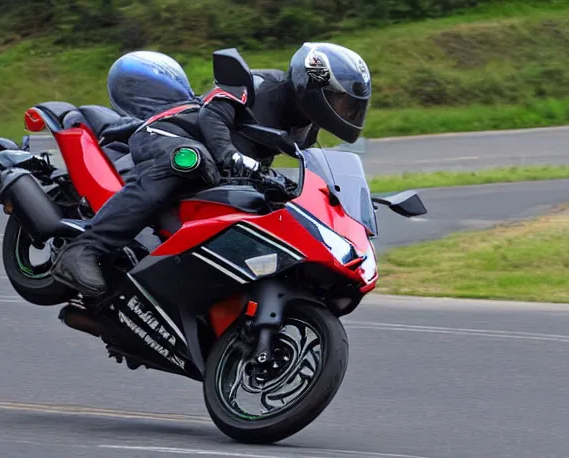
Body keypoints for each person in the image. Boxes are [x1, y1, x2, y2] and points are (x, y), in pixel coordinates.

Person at [53, 42, 372, 296]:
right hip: (173, 134)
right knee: (187, 161)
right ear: (313, 84)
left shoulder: (306, 127)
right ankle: (84, 249)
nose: (347, 111)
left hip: (215, 167)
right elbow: (212, 117)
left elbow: (310, 167)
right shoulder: (260, 84)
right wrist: (230, 155)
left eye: (351, 107)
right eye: (341, 101)